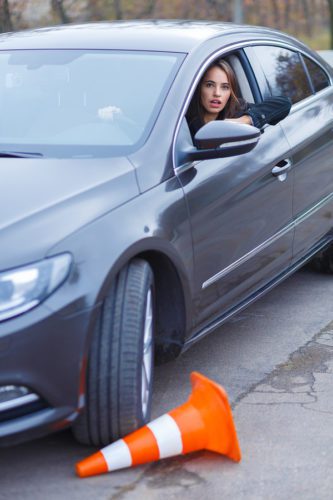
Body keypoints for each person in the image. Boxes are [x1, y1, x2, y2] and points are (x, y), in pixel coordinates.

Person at [186, 59, 292, 138]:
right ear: (199, 88)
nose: (217, 93)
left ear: (230, 92)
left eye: (225, 87)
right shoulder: (181, 123)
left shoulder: (238, 109)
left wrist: (244, 120)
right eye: (210, 85)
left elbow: (285, 103)